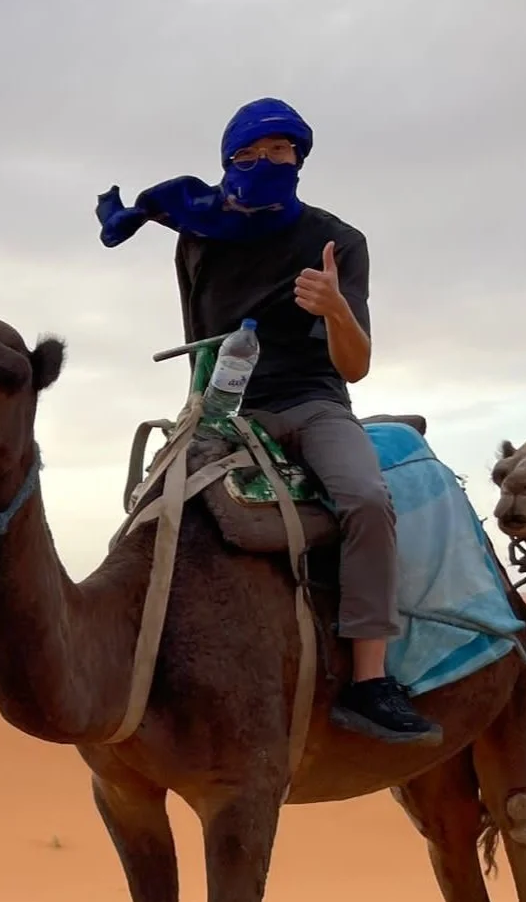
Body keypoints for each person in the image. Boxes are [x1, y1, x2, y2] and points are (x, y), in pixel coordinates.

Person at [96, 98, 441, 745]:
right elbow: (198, 332)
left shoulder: (335, 243)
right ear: (228, 162)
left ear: (300, 159)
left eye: (280, 152)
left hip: (313, 402)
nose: (265, 163)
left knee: (366, 500)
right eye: (250, 155)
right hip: (225, 404)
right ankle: (128, 649)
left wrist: (337, 308)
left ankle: (369, 681)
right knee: (155, 500)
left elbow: (357, 365)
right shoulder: (201, 235)